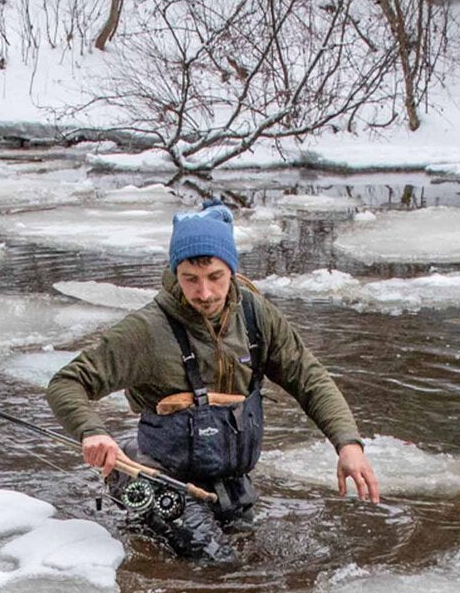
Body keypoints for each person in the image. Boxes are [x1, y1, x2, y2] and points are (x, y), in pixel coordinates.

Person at [47, 200, 380, 561]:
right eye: (190, 279)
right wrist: (91, 430)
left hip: (229, 484)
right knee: (218, 563)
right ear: (175, 274)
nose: (203, 293)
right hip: (157, 476)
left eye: (214, 278)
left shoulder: (255, 316)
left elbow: (308, 376)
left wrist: (348, 444)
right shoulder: (146, 331)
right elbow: (67, 382)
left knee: (250, 553)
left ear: (231, 271)